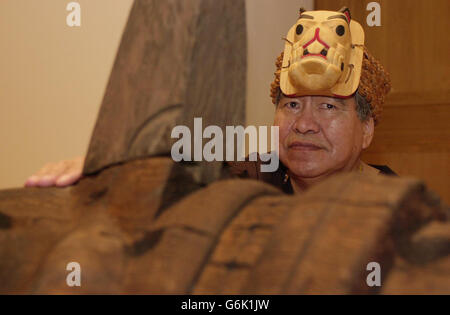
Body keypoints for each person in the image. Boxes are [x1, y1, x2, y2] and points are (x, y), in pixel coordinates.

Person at [24, 7, 395, 194]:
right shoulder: (256, 178)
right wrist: (113, 165)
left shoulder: (400, 213)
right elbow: (181, 167)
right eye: (292, 104)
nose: (303, 124)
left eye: (328, 106)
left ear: (366, 129)